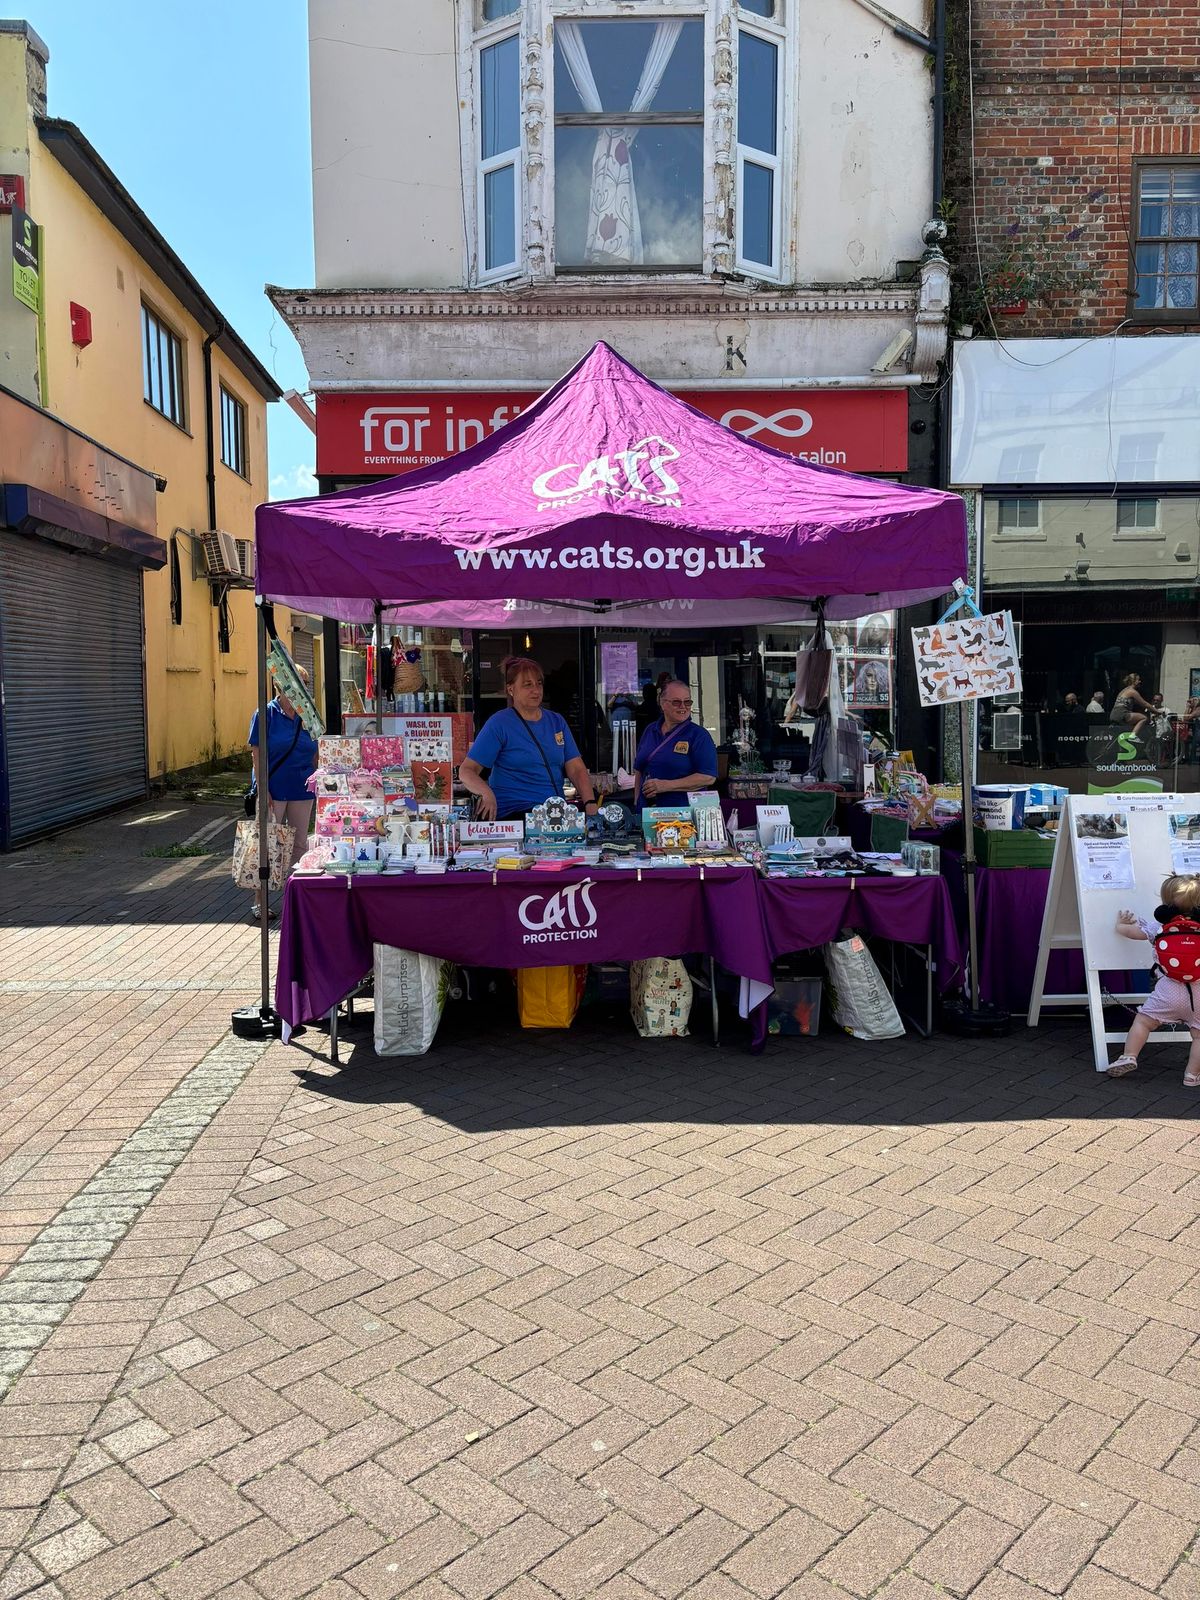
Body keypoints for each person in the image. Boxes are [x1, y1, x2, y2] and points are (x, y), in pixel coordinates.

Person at [460, 655, 598, 822]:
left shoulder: (557, 721)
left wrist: (590, 804)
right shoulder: (499, 723)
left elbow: (576, 769)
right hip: (514, 814)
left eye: (539, 683)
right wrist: (486, 792)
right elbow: (467, 770)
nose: (536, 690)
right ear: (511, 689)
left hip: (554, 815)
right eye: (527, 685)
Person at [1106, 875, 1200, 1084]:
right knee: (1199, 1036)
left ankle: (1129, 1055)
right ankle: (1192, 1075)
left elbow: (1132, 932)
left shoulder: (1159, 927)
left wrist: (1121, 925)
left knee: (1143, 1022)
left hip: (1168, 989)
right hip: (1199, 992)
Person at [246, 666, 319, 920]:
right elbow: (257, 754)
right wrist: (262, 788)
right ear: (283, 685)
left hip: (302, 787)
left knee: (299, 846)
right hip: (273, 789)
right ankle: (260, 900)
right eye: (301, 682)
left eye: (306, 683)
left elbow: (316, 751)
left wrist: (319, 782)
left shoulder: (308, 714)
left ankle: (296, 900)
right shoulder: (265, 713)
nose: (304, 688)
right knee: (268, 846)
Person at [633, 679, 718, 810]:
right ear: (662, 704)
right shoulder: (650, 730)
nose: (683, 707)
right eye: (676, 702)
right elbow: (639, 769)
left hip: (683, 815)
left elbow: (708, 777)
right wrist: (636, 803)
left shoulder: (699, 735)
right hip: (648, 812)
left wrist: (665, 785)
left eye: (687, 702)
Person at [1110, 672, 1152, 737]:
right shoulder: (1132, 691)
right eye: (1138, 680)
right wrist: (1157, 711)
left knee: (1128, 729)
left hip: (1114, 714)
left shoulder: (1123, 690)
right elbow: (1144, 703)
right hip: (1122, 714)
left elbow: (1136, 703)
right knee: (1144, 718)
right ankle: (1133, 736)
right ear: (1133, 681)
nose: (1140, 681)